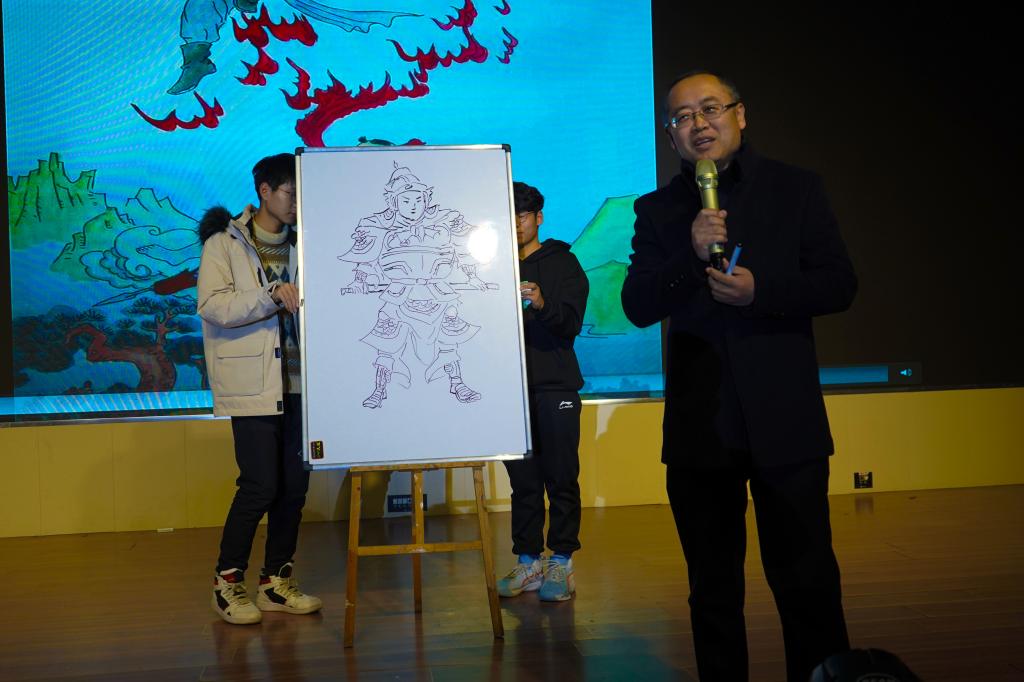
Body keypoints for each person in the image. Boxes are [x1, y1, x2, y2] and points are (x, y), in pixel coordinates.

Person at [621, 72, 857, 680]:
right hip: (702, 430)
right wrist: (689, 254)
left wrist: (762, 292)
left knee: (807, 583)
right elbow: (637, 305)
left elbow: (839, 283)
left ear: (740, 114)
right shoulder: (656, 211)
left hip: (787, 423)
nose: (698, 124)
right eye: (681, 117)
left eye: (710, 108)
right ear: (671, 136)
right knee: (713, 592)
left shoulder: (796, 189)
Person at [197, 152, 322, 625]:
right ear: (265, 191)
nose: (297, 203)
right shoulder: (224, 242)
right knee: (259, 486)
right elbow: (213, 306)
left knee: (294, 488)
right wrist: (269, 296)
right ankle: (227, 582)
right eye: (290, 192)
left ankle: (275, 582)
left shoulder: (309, 242)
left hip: (304, 385)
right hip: (253, 384)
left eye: (301, 193)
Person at [495, 181, 589, 602]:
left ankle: (562, 562)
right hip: (508, 391)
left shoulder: (564, 262)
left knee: (561, 477)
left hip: (555, 387)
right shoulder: (492, 263)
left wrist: (540, 303)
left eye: (523, 215)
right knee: (523, 483)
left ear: (538, 218)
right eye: (510, 215)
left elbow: (570, 324)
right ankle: (529, 561)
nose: (516, 223)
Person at [338, 165, 489, 408]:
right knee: (386, 341)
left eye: (418, 200)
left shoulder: (444, 220)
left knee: (449, 334)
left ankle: (457, 383)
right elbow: (365, 257)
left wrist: (473, 277)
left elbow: (466, 248)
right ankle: (379, 389)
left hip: (438, 293)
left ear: (426, 199)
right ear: (394, 201)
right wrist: (359, 282)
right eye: (406, 200)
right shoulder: (377, 225)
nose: (413, 205)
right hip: (399, 294)